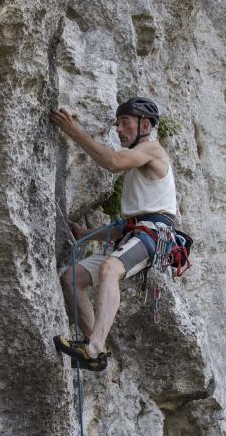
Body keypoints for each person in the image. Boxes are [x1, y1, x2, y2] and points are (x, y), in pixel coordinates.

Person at [49, 97, 177, 371]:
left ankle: (93, 346)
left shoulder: (152, 149)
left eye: (125, 123)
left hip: (156, 235)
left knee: (110, 269)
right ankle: (96, 349)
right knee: (71, 278)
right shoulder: (140, 168)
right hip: (138, 233)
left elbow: (114, 162)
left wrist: (74, 132)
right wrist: (86, 232)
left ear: (145, 125)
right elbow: (127, 225)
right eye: (118, 123)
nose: (119, 129)